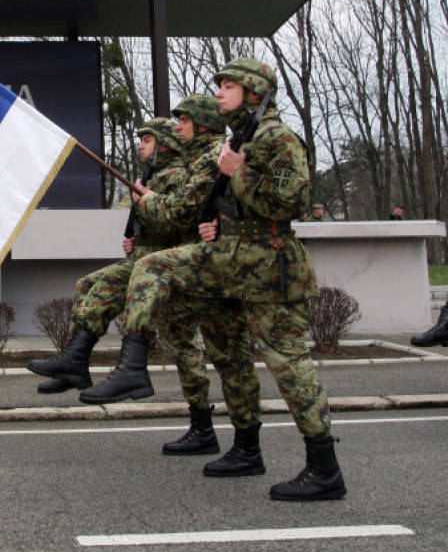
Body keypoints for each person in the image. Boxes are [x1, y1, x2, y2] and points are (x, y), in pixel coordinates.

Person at [105, 58, 346, 501]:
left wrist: (240, 173)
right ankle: (245, 447)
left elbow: (291, 202)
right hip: (232, 258)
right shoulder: (243, 137)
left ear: (255, 92)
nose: (219, 92)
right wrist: (217, 221)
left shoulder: (279, 137)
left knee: (288, 363)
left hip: (268, 264)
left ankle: (324, 467)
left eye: (229, 85)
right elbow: (229, 201)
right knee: (228, 353)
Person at [79, 95, 256, 456]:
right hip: (198, 266)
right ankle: (215, 434)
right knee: (214, 355)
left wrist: (147, 203)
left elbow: (179, 213)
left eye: (184, 120)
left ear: (204, 123)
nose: (177, 127)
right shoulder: (199, 160)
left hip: (213, 269)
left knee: (228, 357)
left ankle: (242, 444)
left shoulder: (210, 158)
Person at [26, 118, 186, 395]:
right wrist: (137, 239)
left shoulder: (175, 176)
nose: (140, 145)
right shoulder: (152, 175)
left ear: (166, 144)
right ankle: (74, 363)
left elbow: (179, 222)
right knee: (86, 285)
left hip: (162, 264)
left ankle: (79, 363)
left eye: (148, 140)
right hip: (142, 258)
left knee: (183, 346)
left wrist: (145, 204)